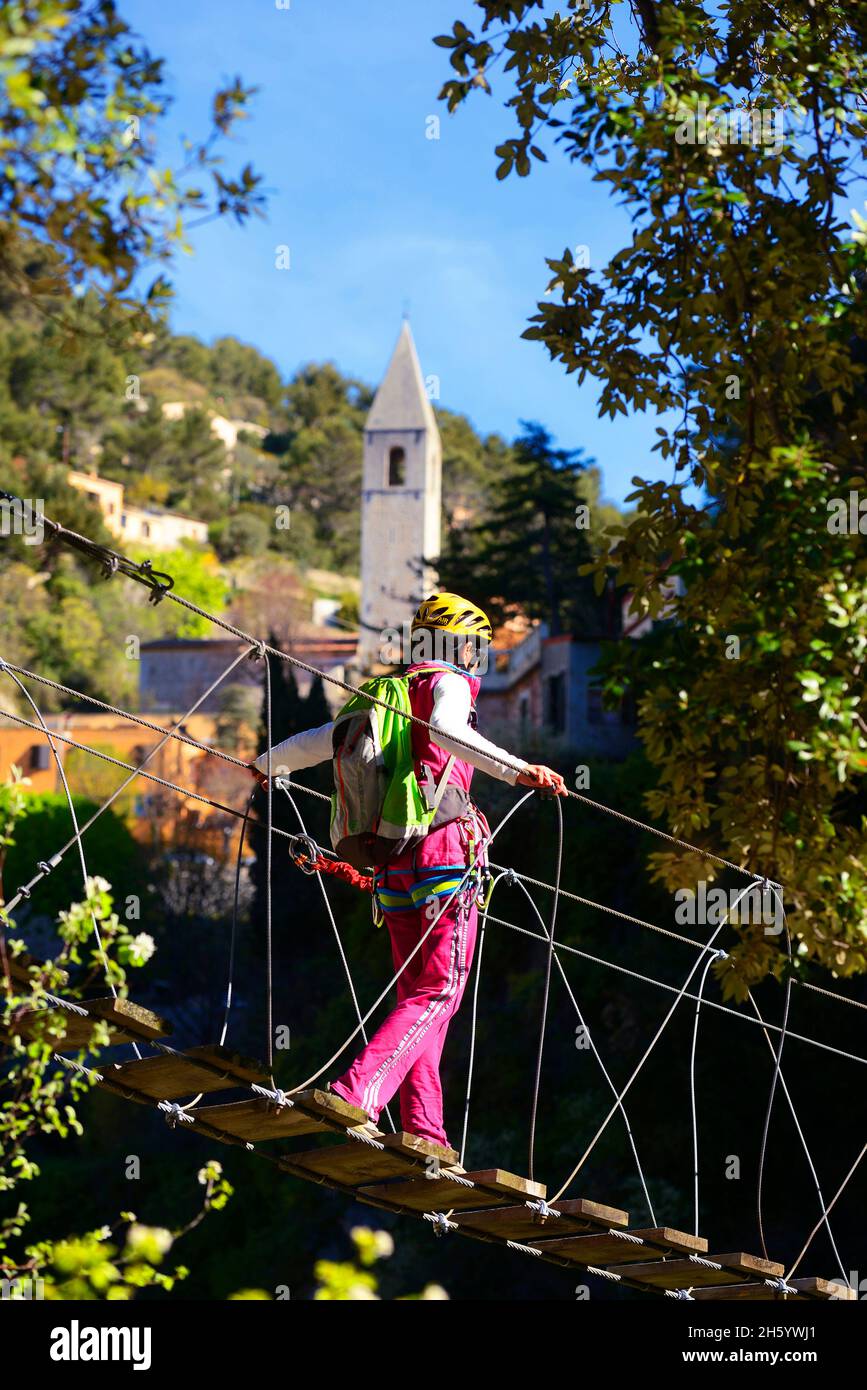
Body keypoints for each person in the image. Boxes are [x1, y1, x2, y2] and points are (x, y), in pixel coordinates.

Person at [250, 592, 566, 1153]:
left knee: (417, 997)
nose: (476, 659)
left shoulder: (382, 695)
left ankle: (426, 1130)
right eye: (475, 647)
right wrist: (521, 770)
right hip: (445, 854)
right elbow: (447, 731)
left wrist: (261, 765)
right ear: (460, 645)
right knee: (441, 990)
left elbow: (316, 744)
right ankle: (356, 1094)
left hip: (392, 863)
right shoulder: (446, 683)